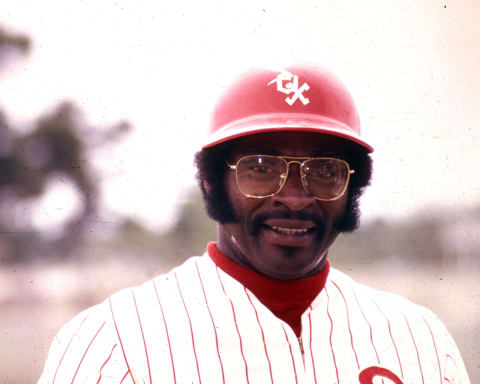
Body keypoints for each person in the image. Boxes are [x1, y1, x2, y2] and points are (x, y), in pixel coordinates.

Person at [38, 66, 470, 383]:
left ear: (351, 188)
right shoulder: (114, 342)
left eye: (324, 171)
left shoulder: (420, 340)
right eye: (261, 168)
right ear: (212, 182)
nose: (295, 197)